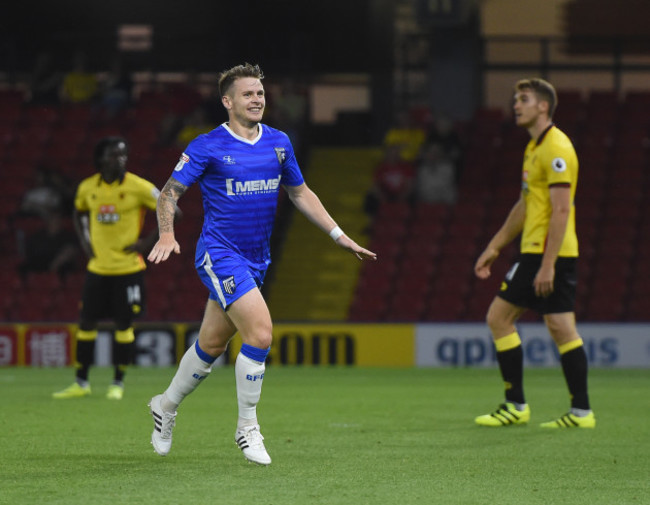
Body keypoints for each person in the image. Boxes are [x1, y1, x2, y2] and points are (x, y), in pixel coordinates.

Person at [146, 63, 376, 465]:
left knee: (212, 344)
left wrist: (339, 236)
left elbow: (300, 193)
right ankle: (247, 428)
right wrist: (167, 233)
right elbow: (168, 194)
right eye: (248, 94)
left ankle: (164, 406)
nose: (257, 99)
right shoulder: (207, 145)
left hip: (257, 258)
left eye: (261, 94)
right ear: (227, 101)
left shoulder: (279, 142)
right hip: (219, 253)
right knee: (261, 333)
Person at [473, 78, 594, 429]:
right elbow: (526, 205)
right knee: (560, 326)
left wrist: (547, 265)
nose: (516, 105)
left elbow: (561, 211)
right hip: (541, 251)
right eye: (516, 99)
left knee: (499, 318)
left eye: (523, 99)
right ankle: (581, 413)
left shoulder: (556, 148)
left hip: (545, 252)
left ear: (543, 106)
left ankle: (516, 405)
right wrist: (495, 245)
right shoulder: (534, 148)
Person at [52, 137, 173, 400]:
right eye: (114, 155)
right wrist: (85, 241)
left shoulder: (138, 186)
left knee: (123, 325)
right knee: (86, 323)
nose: (120, 160)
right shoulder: (87, 188)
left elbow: (170, 207)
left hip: (128, 269)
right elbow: (78, 212)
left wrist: (147, 242)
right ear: (100, 159)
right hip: (98, 269)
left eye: (123, 155)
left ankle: (117, 383)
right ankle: (81, 383)